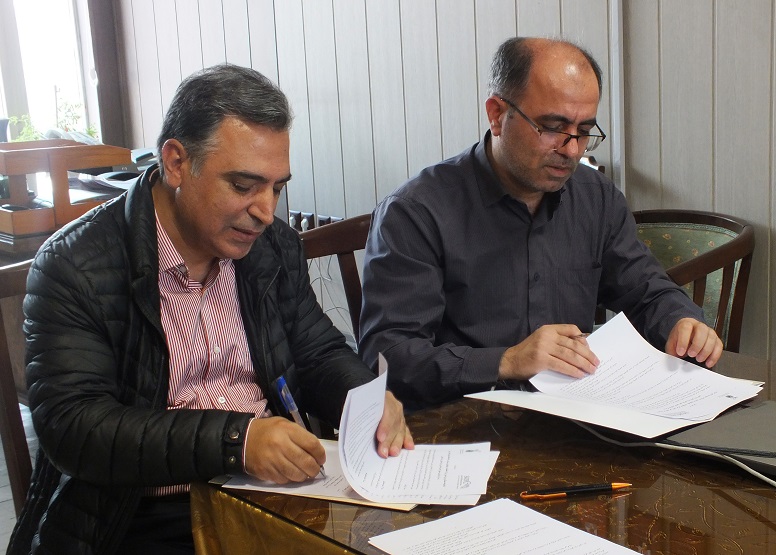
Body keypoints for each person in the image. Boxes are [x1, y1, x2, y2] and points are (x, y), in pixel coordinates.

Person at [9, 64, 413, 554]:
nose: (266, 211)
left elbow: (318, 351)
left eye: (277, 187)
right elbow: (76, 427)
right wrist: (237, 442)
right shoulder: (77, 265)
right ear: (176, 163)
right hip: (137, 515)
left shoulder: (273, 247)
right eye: (243, 186)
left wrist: (364, 400)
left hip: (270, 497)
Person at [359, 37, 723, 411]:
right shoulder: (416, 212)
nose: (571, 150)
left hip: (575, 413)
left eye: (584, 131)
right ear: (497, 114)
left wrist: (681, 322)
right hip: (463, 421)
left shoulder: (595, 197)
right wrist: (506, 361)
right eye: (552, 127)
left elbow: (646, 289)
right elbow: (387, 356)